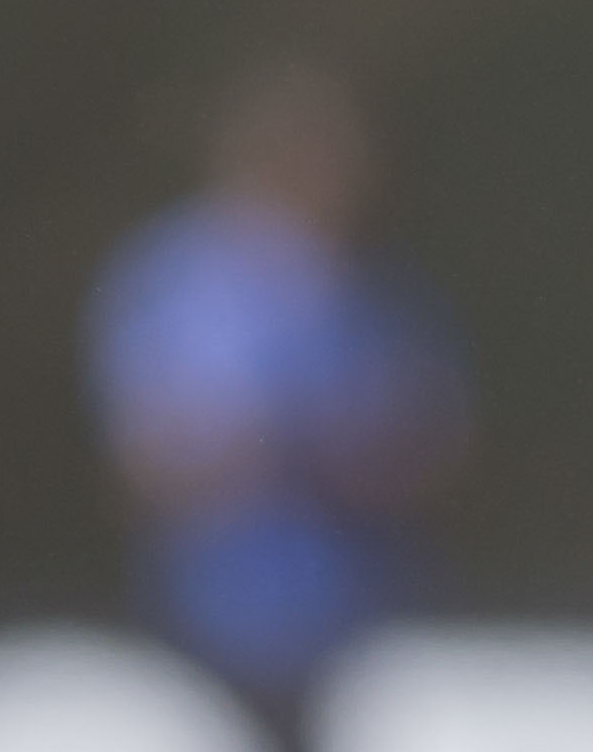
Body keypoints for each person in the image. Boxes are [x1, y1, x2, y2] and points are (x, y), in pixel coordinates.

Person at [85, 62, 465, 687]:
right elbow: (143, 456)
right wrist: (276, 441)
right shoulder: (169, 281)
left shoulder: (380, 290)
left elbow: (436, 446)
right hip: (203, 621)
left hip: (370, 624)